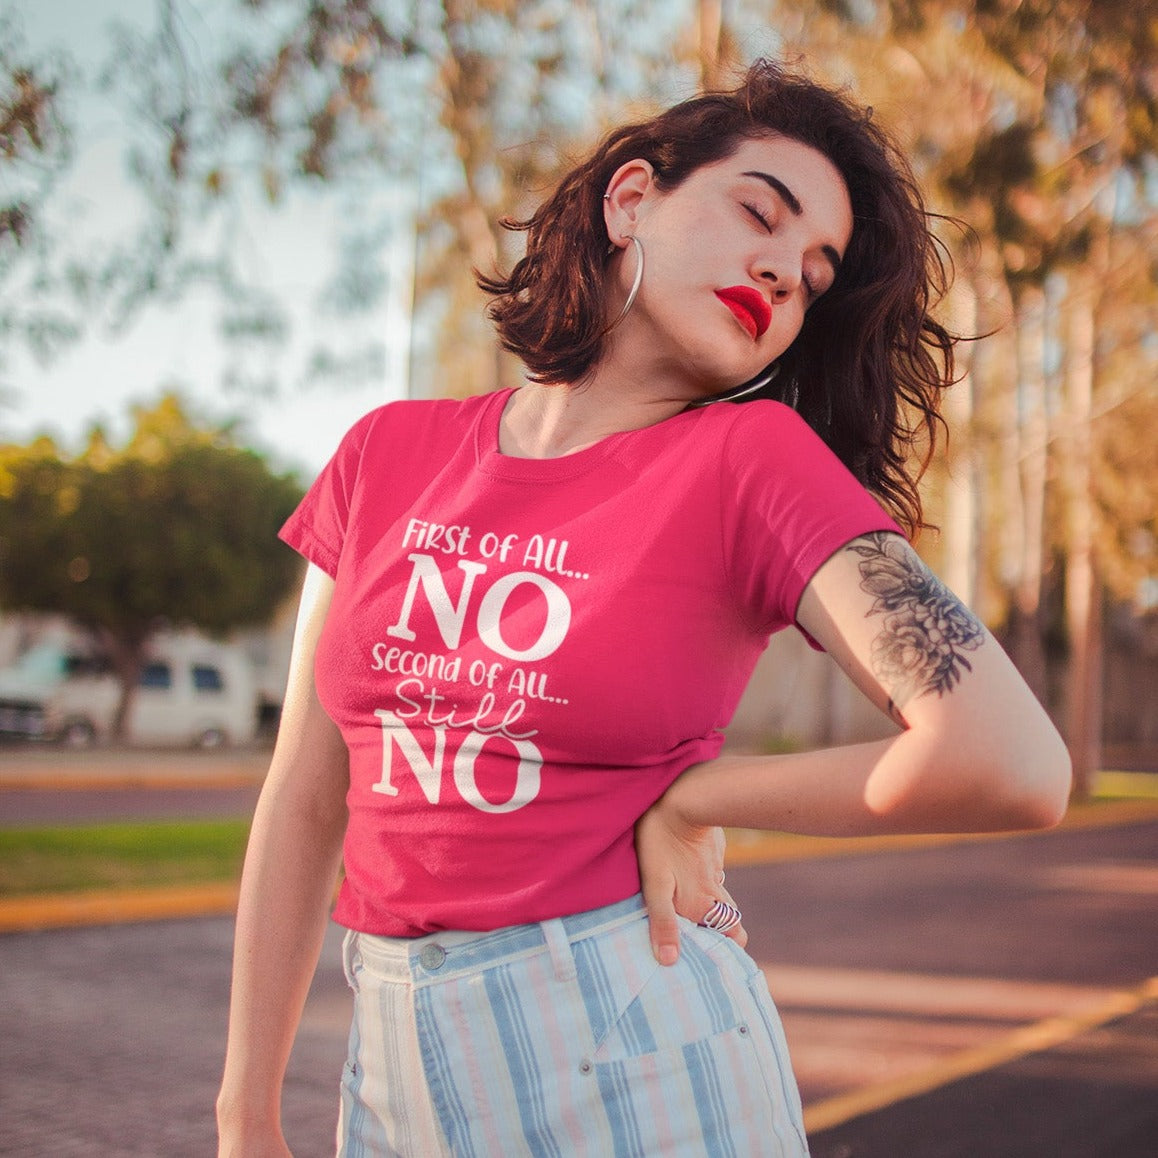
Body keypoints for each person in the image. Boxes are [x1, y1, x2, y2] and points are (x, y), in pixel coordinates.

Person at [216, 58, 1071, 1158]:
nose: (783, 272)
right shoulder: (384, 454)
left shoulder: (755, 462)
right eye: (759, 213)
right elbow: (302, 797)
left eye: (815, 277)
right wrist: (246, 1112)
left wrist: (700, 795)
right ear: (631, 201)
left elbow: (1011, 760)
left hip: (632, 1055)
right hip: (386, 1077)